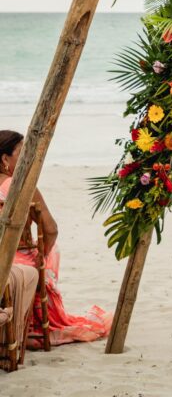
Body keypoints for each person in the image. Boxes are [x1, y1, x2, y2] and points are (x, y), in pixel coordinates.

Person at [0, 131, 111, 348]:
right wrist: (42, 253)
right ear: (5, 159)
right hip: (15, 259)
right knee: (51, 252)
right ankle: (35, 322)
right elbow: (50, 229)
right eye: (22, 154)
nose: (28, 159)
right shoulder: (20, 185)